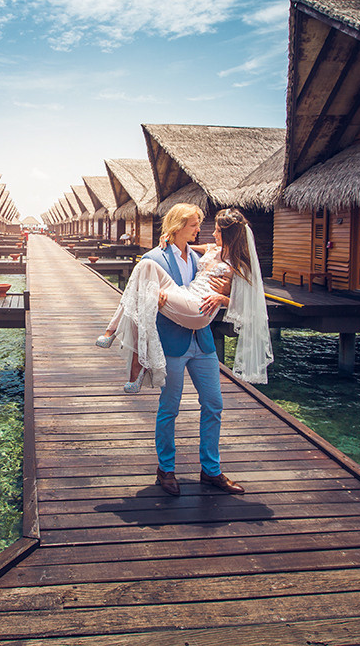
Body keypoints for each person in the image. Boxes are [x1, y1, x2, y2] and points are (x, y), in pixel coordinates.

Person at [96, 204, 272, 496]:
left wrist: (221, 298)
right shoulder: (158, 256)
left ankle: (211, 470)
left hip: (202, 340)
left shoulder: (203, 255)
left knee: (214, 404)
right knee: (169, 408)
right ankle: (165, 469)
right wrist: (159, 301)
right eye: (195, 225)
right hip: (173, 341)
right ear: (178, 225)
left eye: (210, 228)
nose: (202, 231)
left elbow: (248, 300)